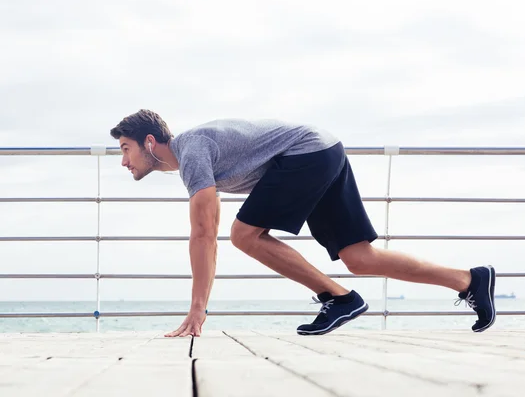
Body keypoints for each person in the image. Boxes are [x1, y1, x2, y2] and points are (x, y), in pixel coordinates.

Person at [109, 109, 496, 337]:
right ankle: (469, 280)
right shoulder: (195, 152)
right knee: (358, 257)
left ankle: (339, 298)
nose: (124, 161)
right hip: (322, 150)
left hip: (306, 153)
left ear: (148, 142)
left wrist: (197, 309)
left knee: (243, 235)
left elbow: (204, 234)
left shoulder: (189, 150)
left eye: (125, 149)